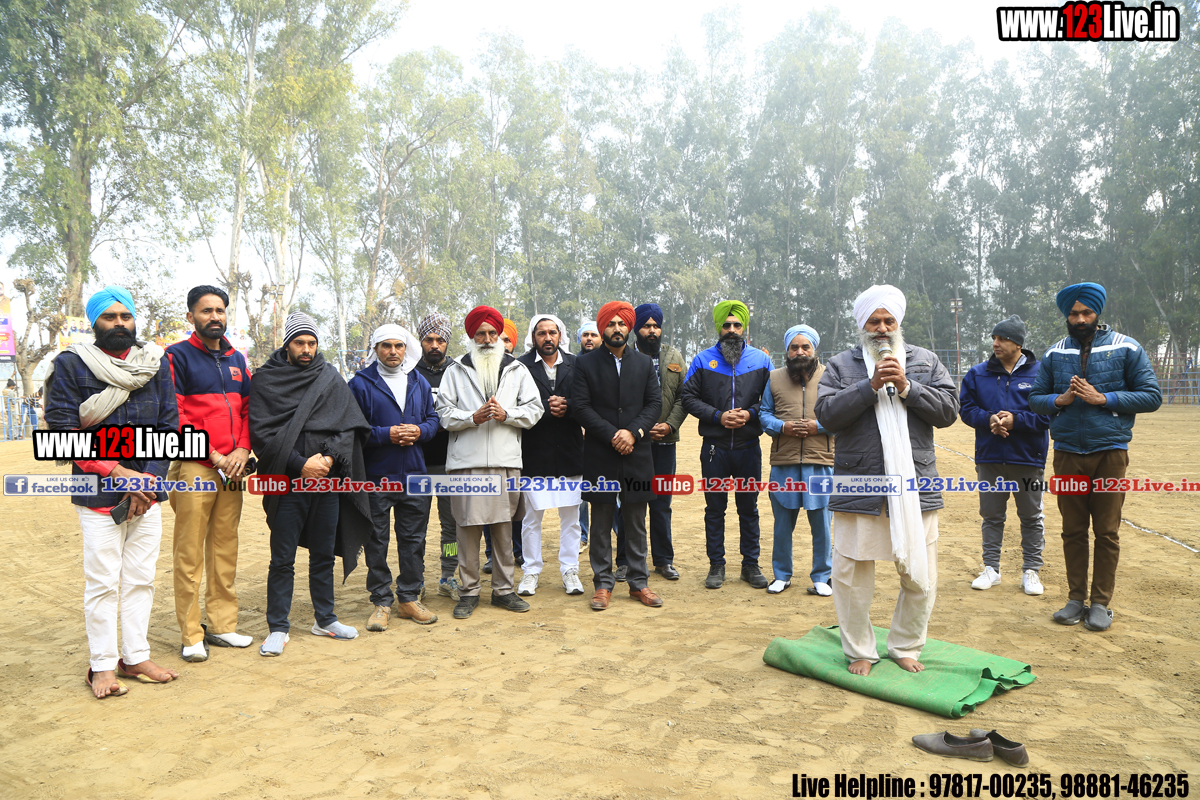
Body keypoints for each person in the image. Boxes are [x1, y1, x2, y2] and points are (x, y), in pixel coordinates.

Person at [814, 285, 959, 676]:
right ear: (862, 325)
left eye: (888, 320)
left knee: (920, 573)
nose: (881, 328)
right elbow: (826, 415)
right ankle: (859, 650)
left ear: (898, 323)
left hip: (915, 483)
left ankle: (906, 645)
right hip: (857, 483)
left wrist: (909, 387)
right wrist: (869, 386)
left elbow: (949, 411)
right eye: (874, 321)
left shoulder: (925, 361)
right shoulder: (841, 365)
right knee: (850, 576)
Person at [43, 285, 180, 696]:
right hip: (97, 491)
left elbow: (169, 426)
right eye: (109, 317)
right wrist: (121, 474)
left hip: (148, 493)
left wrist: (148, 480)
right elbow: (63, 431)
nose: (119, 323)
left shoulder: (154, 362)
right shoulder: (71, 364)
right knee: (102, 582)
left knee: (141, 579)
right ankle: (101, 665)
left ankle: (135, 656)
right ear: (95, 322)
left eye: (125, 316)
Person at [1029, 283, 1161, 631]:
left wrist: (1104, 399)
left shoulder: (1126, 347)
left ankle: (1100, 603)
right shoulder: (1055, 353)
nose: (1080, 319)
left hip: (1110, 454)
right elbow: (1036, 399)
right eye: (1074, 314)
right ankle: (1075, 599)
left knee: (1106, 531)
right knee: (1072, 530)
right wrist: (1059, 401)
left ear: (1097, 313)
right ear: (1067, 316)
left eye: (1086, 312)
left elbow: (1151, 396)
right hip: (1068, 454)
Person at [249, 313, 373, 656]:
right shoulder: (266, 380)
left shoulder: (329, 377)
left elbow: (348, 427)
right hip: (288, 483)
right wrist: (299, 464)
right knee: (282, 558)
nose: (306, 349)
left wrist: (328, 460)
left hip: (327, 483)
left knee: (323, 553)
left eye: (312, 343)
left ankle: (325, 618)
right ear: (287, 344)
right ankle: (278, 626)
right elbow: (262, 433)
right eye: (299, 342)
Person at [436, 306, 544, 619]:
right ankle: (469, 592)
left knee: (503, 529)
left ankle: (503, 591)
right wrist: (472, 417)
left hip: (504, 461)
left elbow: (535, 409)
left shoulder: (516, 369)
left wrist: (507, 414)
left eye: (492, 333)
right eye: (480, 334)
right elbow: (443, 413)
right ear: (472, 336)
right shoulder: (455, 370)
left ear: (499, 336)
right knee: (466, 531)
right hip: (465, 464)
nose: (486, 339)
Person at [165, 285, 254, 663]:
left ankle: (222, 625)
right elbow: (175, 415)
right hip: (196, 467)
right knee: (189, 552)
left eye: (220, 310)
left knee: (224, 548)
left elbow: (249, 410)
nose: (214, 316)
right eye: (206, 311)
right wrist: (215, 456)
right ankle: (191, 634)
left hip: (233, 468)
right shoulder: (176, 357)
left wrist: (242, 450)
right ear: (191, 316)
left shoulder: (237, 359)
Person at [349, 324, 441, 631]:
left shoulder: (417, 381)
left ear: (406, 349)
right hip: (376, 476)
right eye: (386, 346)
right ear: (375, 349)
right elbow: (353, 430)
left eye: (398, 346)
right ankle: (381, 602)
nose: (393, 351)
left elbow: (433, 420)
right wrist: (384, 435)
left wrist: (420, 431)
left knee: (413, 539)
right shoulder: (360, 384)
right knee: (376, 539)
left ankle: (408, 598)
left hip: (415, 475)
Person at [572, 301, 663, 610]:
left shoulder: (644, 363)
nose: (616, 328)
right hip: (601, 453)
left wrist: (633, 433)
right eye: (610, 324)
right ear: (602, 328)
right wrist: (613, 434)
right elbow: (581, 407)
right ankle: (602, 584)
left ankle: (639, 583)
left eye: (621, 323)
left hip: (637, 454)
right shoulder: (585, 364)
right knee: (600, 521)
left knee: (636, 521)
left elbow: (654, 404)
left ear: (629, 327)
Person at [680, 300, 773, 590]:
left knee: (749, 508)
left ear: (744, 328)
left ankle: (750, 565)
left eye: (737, 325)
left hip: (748, 448)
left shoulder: (762, 361)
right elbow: (688, 398)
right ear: (718, 327)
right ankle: (716, 565)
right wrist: (718, 416)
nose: (731, 330)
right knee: (714, 509)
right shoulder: (702, 360)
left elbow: (771, 399)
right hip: (715, 449)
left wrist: (750, 414)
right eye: (726, 325)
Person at [958, 315, 1050, 596]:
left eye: (1002, 339)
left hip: (1028, 459)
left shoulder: (1042, 374)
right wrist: (990, 420)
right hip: (990, 458)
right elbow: (966, 409)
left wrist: (1016, 421)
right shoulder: (977, 374)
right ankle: (991, 569)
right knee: (991, 516)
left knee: (1031, 517)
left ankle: (1031, 571)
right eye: (994, 338)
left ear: (1018, 343)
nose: (995, 343)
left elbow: (1049, 413)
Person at [613, 303, 687, 580]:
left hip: (665, 443)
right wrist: (637, 430)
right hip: (633, 444)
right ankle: (625, 561)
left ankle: (663, 560)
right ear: (636, 329)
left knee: (662, 503)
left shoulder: (674, 356)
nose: (652, 331)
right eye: (646, 326)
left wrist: (670, 425)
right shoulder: (624, 357)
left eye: (656, 326)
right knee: (630, 502)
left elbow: (684, 396)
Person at [759, 325, 834, 596]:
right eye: (794, 347)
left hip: (821, 462)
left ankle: (822, 577)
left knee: (822, 525)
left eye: (805, 347)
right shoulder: (774, 378)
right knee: (782, 525)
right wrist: (783, 427)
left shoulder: (831, 377)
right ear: (787, 351)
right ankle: (781, 575)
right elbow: (764, 414)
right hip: (784, 462)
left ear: (814, 349)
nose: (799, 352)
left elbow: (842, 415)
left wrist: (818, 426)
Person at [515, 314, 586, 596]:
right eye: (541, 333)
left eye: (552, 332)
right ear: (533, 337)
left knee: (571, 518)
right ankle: (531, 571)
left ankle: (570, 570)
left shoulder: (576, 364)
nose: (547, 338)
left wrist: (569, 407)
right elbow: (516, 404)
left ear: (560, 335)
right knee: (532, 519)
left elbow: (587, 402)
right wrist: (545, 408)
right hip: (535, 451)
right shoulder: (520, 366)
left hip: (570, 451)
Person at [414, 313, 461, 600]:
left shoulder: (458, 372)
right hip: (417, 464)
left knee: (451, 527)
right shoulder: (409, 372)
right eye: (429, 339)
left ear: (447, 342)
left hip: (450, 464)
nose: (434, 345)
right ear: (420, 341)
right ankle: (415, 579)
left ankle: (448, 574)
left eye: (440, 340)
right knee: (415, 528)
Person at [576, 320, 602, 547]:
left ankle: (615, 531)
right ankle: (582, 534)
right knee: (582, 489)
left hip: (604, 436)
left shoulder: (607, 364)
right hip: (579, 437)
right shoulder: (573, 364)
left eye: (594, 335)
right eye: (585, 335)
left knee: (608, 487)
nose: (589, 339)